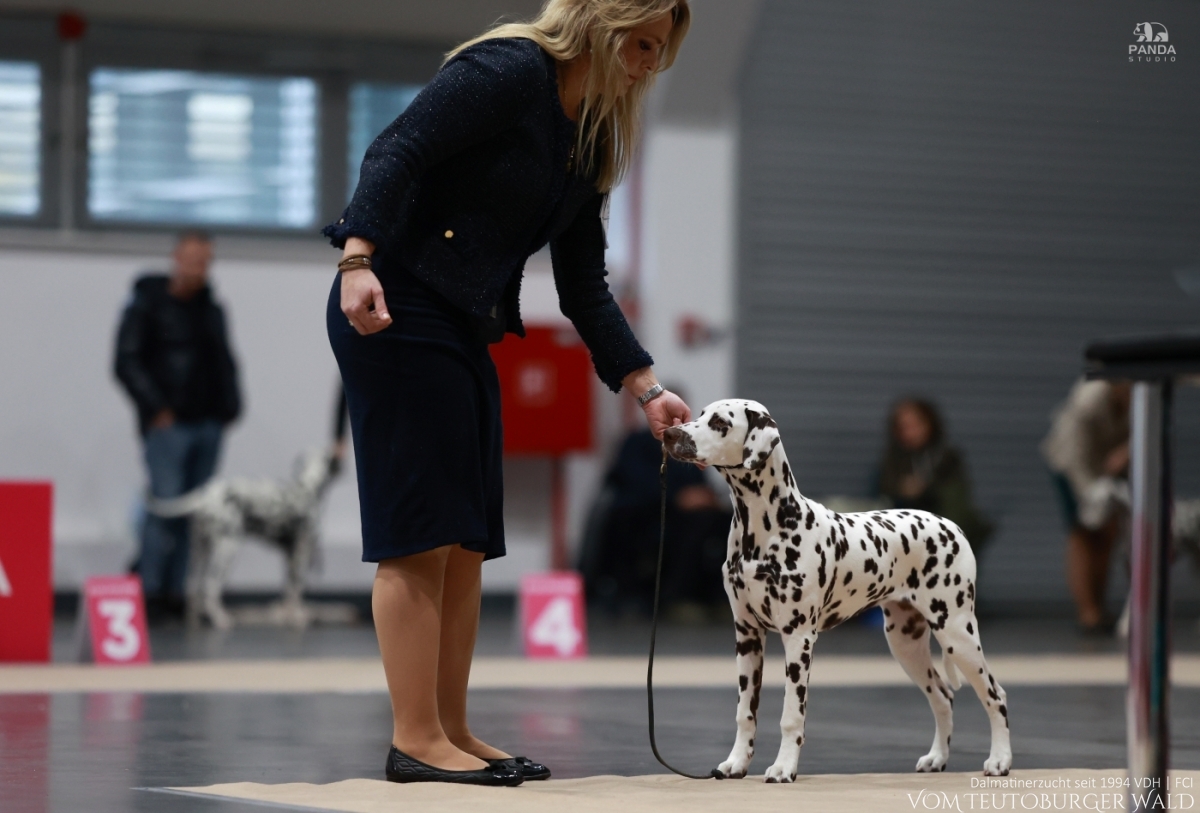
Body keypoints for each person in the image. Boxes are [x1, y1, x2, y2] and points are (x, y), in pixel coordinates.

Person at [323, 0, 692, 787]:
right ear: (601, 22)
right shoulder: (512, 69)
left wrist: (645, 386)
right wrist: (356, 260)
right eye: (641, 43)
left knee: (464, 539)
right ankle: (415, 737)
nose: (648, 65)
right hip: (396, 301)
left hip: (461, 322)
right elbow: (397, 148)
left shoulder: (590, 133)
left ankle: (449, 726)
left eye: (659, 51)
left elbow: (583, 283)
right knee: (418, 532)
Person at [113, 230, 241, 619]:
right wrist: (156, 409)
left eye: (205, 261)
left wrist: (229, 408)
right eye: (191, 259)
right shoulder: (147, 305)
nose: (197, 268)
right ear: (176, 258)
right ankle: (149, 591)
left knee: (195, 516)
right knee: (164, 508)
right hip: (168, 426)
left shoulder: (212, 309)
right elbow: (126, 361)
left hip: (208, 424)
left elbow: (224, 361)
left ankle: (177, 593)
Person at [580, 416, 729, 618]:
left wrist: (705, 497)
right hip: (647, 512)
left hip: (685, 515)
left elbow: (698, 483)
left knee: (723, 520)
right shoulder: (637, 443)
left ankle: (717, 594)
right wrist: (677, 496)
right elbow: (633, 481)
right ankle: (675, 596)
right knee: (690, 527)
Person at [1041, 379, 1131, 635]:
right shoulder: (1089, 402)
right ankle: (1088, 611)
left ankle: (1099, 605)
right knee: (1083, 533)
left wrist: (1127, 451)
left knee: (1109, 532)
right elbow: (1075, 457)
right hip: (1072, 467)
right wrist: (1092, 496)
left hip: (1108, 469)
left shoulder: (1144, 394)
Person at [876, 397, 993, 556]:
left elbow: (955, 504)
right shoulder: (894, 459)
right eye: (903, 427)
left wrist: (924, 489)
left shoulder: (946, 457)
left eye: (914, 425)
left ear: (929, 424)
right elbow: (885, 490)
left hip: (945, 542)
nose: (909, 433)